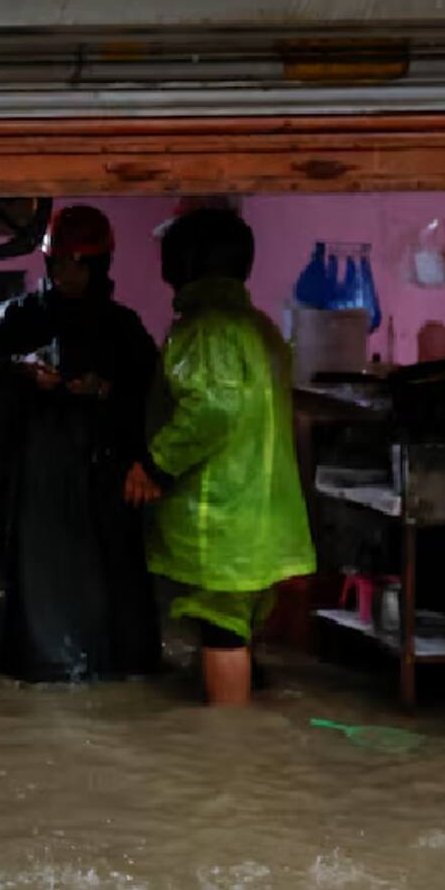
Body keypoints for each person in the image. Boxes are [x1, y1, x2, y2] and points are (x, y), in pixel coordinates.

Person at [0, 206, 162, 683]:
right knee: (30, 591)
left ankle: (107, 667)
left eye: (83, 264)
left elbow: (153, 399)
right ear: (49, 262)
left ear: (101, 266)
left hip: (101, 482)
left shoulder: (123, 329)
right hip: (27, 485)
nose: (71, 274)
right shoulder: (11, 319)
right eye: (63, 262)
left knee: (109, 596)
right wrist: (13, 370)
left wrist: (104, 393)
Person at [128, 206, 316, 706]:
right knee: (236, 628)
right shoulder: (261, 328)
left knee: (222, 630)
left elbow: (213, 407)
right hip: (267, 517)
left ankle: (227, 742)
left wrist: (156, 464)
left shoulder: (204, 330)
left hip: (222, 517)